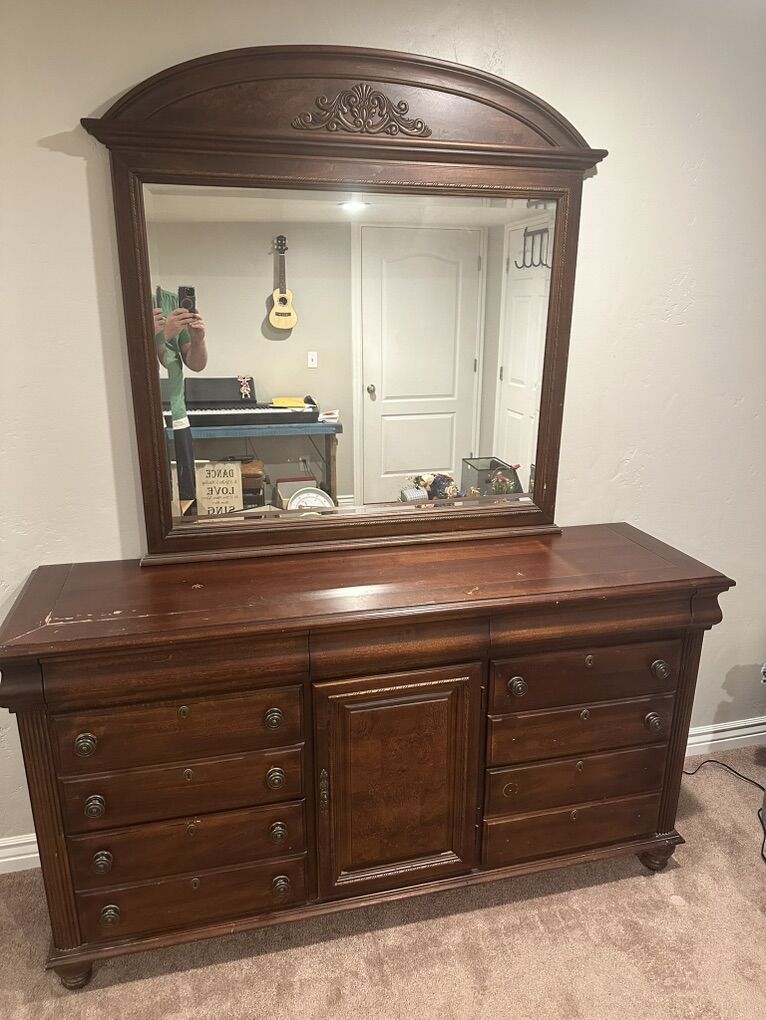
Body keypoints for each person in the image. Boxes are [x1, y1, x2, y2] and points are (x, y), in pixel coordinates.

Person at [152, 289, 207, 503]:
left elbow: (196, 364)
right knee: (157, 492)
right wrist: (162, 334)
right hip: (146, 412)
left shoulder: (169, 303)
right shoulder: (131, 304)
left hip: (177, 409)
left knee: (186, 494)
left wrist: (198, 340)